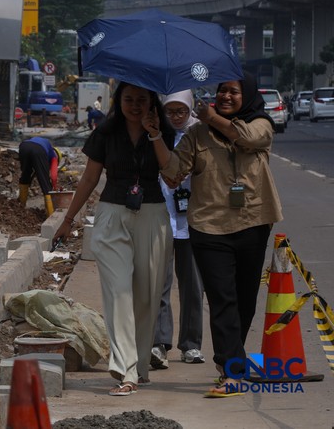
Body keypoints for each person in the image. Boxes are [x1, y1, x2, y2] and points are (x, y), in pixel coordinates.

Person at [150, 72, 282, 397]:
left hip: (253, 223)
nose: (226, 96)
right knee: (222, 299)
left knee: (245, 300)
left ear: (246, 96)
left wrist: (211, 118)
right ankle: (230, 369)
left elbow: (247, 138)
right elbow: (172, 173)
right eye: (222, 90)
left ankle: (233, 358)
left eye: (233, 92)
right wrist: (155, 136)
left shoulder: (261, 124)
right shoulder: (196, 133)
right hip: (209, 228)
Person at [52, 82, 176, 396]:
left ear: (152, 103)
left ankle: (141, 365)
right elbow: (89, 178)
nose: (135, 105)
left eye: (142, 100)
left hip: (152, 216)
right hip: (111, 217)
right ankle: (126, 370)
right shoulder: (105, 133)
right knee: (119, 293)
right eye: (128, 99)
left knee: (147, 296)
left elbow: (172, 174)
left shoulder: (164, 132)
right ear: (118, 101)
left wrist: (155, 135)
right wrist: (68, 220)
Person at [150, 90, 206, 371]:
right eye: (170, 111)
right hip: (161, 216)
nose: (175, 117)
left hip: (193, 218)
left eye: (181, 111)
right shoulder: (155, 134)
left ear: (190, 109)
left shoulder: (201, 134)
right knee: (160, 282)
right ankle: (159, 343)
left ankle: (191, 344)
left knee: (193, 285)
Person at [18, 136, 62, 216]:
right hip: (39, 150)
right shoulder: (53, 156)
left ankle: (21, 206)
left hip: (23, 147)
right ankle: (50, 214)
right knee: (45, 184)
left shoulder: (45, 144)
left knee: (25, 176)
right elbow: (53, 176)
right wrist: (54, 189)